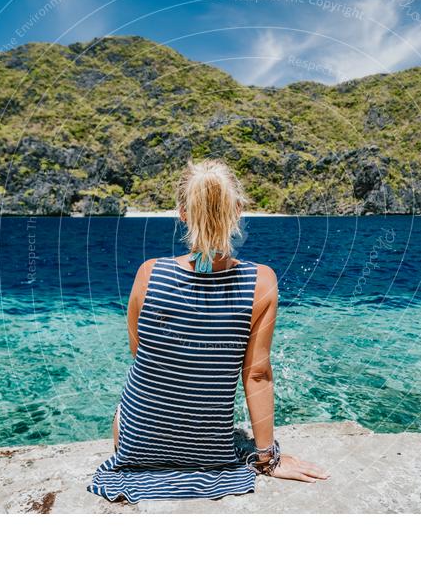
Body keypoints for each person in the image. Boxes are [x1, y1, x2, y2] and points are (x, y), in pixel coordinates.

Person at [87, 159, 328, 502]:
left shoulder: (149, 273)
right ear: (238, 210)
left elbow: (140, 354)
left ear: (182, 213)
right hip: (209, 453)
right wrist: (268, 459)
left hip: (135, 443)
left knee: (127, 404)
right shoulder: (261, 282)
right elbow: (256, 374)